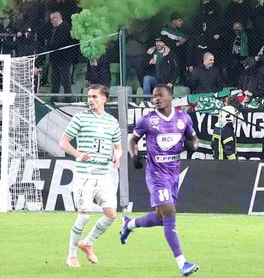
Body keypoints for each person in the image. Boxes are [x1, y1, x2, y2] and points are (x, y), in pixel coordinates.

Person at [120, 83, 199, 276]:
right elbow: (132, 140)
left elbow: (194, 140)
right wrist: (133, 156)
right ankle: (182, 263)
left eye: (160, 95)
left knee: (161, 218)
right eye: (154, 96)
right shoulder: (147, 120)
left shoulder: (183, 118)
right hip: (156, 175)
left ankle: (129, 224)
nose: (156, 99)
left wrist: (192, 146)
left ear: (171, 97)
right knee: (170, 213)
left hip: (173, 175)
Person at [61, 83, 123, 269]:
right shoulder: (80, 118)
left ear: (104, 99)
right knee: (84, 216)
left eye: (94, 96)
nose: (90, 100)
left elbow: (118, 147)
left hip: (104, 175)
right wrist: (78, 154)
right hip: (85, 175)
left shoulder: (112, 122)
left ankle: (87, 243)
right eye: (89, 96)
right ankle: (71, 255)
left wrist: (117, 157)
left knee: (111, 214)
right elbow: (63, 142)